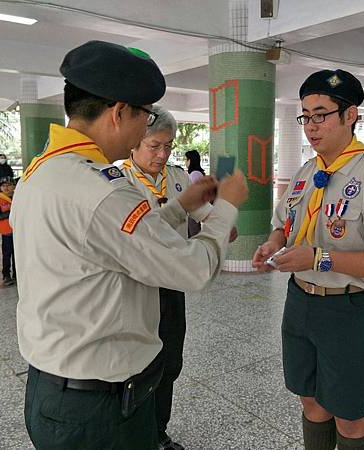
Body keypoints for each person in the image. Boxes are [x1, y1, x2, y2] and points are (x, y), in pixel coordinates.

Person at [11, 40, 248, 450]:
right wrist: (226, 205)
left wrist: (179, 208)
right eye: (147, 115)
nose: (148, 129)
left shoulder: (42, 171)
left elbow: (109, 243)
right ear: (120, 112)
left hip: (54, 389)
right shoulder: (101, 190)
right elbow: (192, 269)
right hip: (99, 410)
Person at [252, 69, 364, 450]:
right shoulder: (306, 173)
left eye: (320, 114)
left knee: (348, 414)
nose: (310, 126)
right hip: (301, 300)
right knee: (310, 400)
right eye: (305, 115)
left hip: (350, 308)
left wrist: (320, 258)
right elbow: (283, 226)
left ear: (350, 115)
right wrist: (273, 243)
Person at [120, 105, 213, 450]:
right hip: (135, 287)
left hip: (171, 286)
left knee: (169, 362)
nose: (162, 154)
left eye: (168, 146)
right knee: (137, 366)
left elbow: (203, 210)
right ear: (134, 143)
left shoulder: (176, 176)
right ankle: (136, 434)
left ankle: (159, 433)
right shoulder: (120, 181)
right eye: (154, 146)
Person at [0, 177, 15, 286]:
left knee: (18, 254)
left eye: (9, 185)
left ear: (14, 186)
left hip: (19, 232)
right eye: (3, 185)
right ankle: (6, 275)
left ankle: (17, 274)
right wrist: (10, 213)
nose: (6, 187)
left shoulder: (19, 198)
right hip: (7, 233)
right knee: (7, 254)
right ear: (0, 188)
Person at [184, 149, 206, 237]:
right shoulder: (198, 173)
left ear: (191, 160)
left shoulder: (194, 174)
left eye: (186, 159)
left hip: (193, 209)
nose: (185, 162)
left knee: (193, 234)